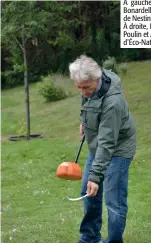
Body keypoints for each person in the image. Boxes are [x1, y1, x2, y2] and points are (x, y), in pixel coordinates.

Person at [69, 55, 136, 243]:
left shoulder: (113, 102)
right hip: (98, 142)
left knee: (113, 200)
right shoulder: (90, 85)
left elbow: (107, 143)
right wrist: (84, 121)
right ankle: (90, 237)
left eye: (86, 87)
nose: (82, 92)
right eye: (79, 87)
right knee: (88, 193)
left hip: (118, 148)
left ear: (97, 80)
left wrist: (96, 177)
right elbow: (87, 102)